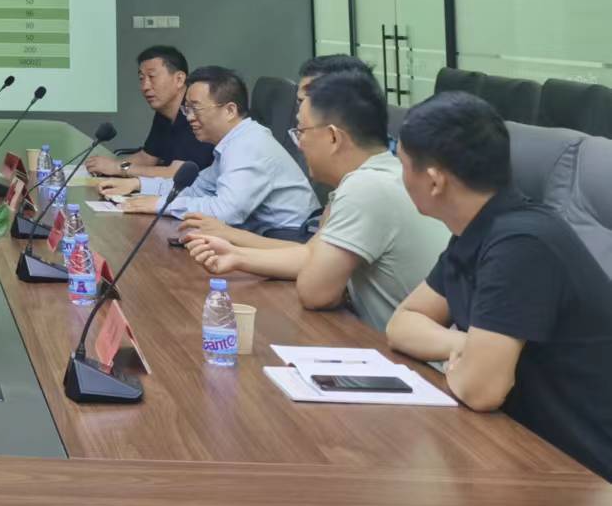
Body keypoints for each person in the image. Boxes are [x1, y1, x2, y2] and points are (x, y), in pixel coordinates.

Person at [386, 93, 612, 480]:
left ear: (434, 181)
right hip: (522, 448)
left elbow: (481, 390)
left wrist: (474, 360)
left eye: (402, 162)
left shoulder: (522, 244)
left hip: (583, 474)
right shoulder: (478, 231)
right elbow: (403, 323)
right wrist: (464, 345)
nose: (400, 174)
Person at [183, 71, 446, 330]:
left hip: (401, 352)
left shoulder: (366, 188)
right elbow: (310, 255)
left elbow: (314, 293)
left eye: (300, 132)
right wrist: (237, 256)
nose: (298, 144)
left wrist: (336, 287)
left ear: (333, 137)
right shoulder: (377, 174)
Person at [95, 65, 316, 231]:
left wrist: (160, 204)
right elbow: (196, 188)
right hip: (260, 239)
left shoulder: (249, 145)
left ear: (230, 110)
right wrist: (138, 184)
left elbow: (225, 212)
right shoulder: (232, 142)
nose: (189, 117)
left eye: (196, 108)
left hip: (287, 242)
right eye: (187, 109)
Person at [86, 46, 213, 178]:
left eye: (152, 76)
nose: (145, 86)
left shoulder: (196, 112)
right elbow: (147, 158)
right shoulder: (164, 112)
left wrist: (117, 168)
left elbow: (176, 173)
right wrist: (108, 166)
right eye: (141, 78)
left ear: (179, 79)